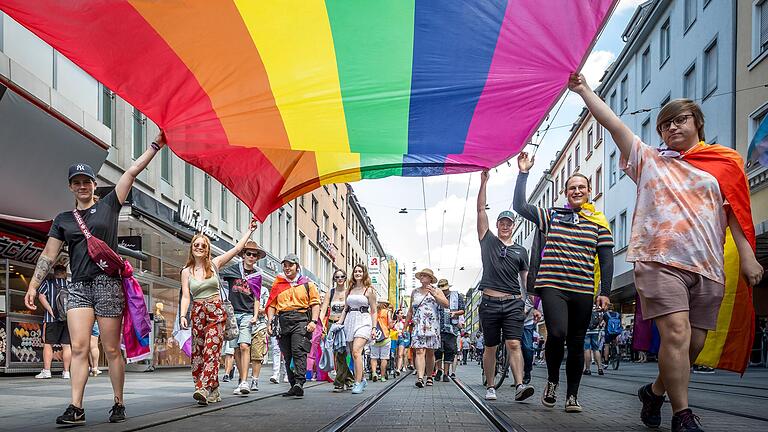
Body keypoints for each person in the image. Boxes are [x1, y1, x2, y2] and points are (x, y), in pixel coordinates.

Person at [569, 73, 763, 432]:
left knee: (693, 344)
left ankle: (655, 392)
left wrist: (748, 255)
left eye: (680, 120)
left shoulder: (724, 163)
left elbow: (735, 210)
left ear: (697, 124)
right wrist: (584, 90)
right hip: (659, 260)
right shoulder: (649, 159)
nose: (671, 127)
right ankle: (682, 415)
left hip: (708, 265)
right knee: (676, 333)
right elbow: (612, 123)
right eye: (664, 124)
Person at [24, 132, 167, 425]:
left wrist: (155, 145)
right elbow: (49, 256)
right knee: (78, 347)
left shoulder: (109, 205)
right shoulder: (63, 220)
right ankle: (76, 407)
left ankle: (118, 402)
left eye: (86, 181)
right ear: (70, 187)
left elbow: (130, 172)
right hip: (78, 287)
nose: (82, 186)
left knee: (111, 348)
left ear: (93, 184)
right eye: (76, 183)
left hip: (107, 284)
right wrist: (33, 285)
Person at [515, 150, 614, 412]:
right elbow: (520, 207)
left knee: (577, 341)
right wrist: (523, 173)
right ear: (566, 192)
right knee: (557, 333)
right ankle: (552, 381)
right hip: (552, 285)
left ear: (589, 189)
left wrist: (605, 291)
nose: (577, 190)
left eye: (582, 186)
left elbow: (606, 259)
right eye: (573, 187)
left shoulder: (598, 223)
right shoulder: (552, 216)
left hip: (582, 289)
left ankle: (572, 396)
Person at [179, 221, 257, 405]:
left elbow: (237, 249)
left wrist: (249, 230)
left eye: (203, 246)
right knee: (198, 353)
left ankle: (203, 388)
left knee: (211, 351)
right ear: (192, 248)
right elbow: (185, 297)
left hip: (215, 311)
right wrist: (183, 315)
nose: (199, 248)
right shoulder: (186, 271)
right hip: (197, 313)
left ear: (207, 249)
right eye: (196, 245)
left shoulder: (214, 264)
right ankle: (213, 390)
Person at [477, 170, 535, 402]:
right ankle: (491, 386)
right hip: (489, 303)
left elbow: (526, 280)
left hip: (513, 303)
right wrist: (484, 182)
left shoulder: (521, 251)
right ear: (497, 224)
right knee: (490, 346)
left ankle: (520, 385)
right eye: (501, 222)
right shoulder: (487, 241)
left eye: (508, 223)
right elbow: (481, 210)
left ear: (514, 225)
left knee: (514, 343)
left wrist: (530, 303)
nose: (504, 225)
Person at [265, 254, 321, 398]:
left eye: (290, 265)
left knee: (298, 350)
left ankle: (299, 383)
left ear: (297, 267)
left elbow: (315, 304)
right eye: (285, 265)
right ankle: (292, 385)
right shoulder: (278, 284)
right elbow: (271, 305)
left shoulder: (307, 284)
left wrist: (313, 321)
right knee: (287, 354)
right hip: (283, 320)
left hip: (301, 319)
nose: (287, 268)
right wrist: (270, 322)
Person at [218, 240, 266, 396]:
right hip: (232, 315)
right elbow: (216, 272)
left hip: (246, 314)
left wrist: (255, 315)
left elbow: (257, 297)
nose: (251, 257)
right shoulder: (233, 270)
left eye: (255, 255)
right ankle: (241, 378)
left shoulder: (257, 275)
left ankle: (245, 381)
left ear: (257, 258)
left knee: (245, 346)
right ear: (243, 255)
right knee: (236, 349)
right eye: (249, 254)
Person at [337, 264, 378, 394]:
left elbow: (374, 311)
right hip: (350, 321)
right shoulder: (350, 289)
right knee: (353, 354)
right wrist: (339, 323)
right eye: (355, 271)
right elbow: (345, 308)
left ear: (364, 273)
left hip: (364, 321)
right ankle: (363, 379)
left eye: (360, 271)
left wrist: (373, 327)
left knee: (356, 351)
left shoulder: (369, 290)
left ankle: (357, 382)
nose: (358, 273)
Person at [407, 269, 448, 388]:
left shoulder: (437, 290)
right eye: (421, 276)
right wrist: (405, 327)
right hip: (418, 324)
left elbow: (446, 304)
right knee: (419, 351)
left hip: (432, 324)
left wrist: (435, 295)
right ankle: (420, 377)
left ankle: (429, 376)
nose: (422, 277)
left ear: (431, 278)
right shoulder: (415, 292)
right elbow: (410, 310)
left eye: (425, 276)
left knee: (430, 352)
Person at [319, 269, 355, 392]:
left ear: (345, 278)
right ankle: (349, 379)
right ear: (334, 279)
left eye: (342, 276)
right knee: (336, 353)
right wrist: (320, 323)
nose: (340, 279)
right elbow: (323, 309)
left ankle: (339, 383)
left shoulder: (349, 293)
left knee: (342, 353)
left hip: (345, 325)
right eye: (337, 277)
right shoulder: (331, 292)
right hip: (332, 325)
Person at [36, 263, 71, 380]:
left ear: (54, 273)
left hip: (51, 319)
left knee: (48, 344)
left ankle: (47, 371)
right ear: (65, 273)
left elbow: (41, 296)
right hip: (67, 319)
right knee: (66, 345)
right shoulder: (70, 285)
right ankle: (66, 372)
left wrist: (51, 311)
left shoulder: (48, 283)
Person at [434, 278, 465, 382]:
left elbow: (463, 310)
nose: (444, 291)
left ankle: (446, 373)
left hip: (451, 329)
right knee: (437, 350)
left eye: (445, 289)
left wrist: (455, 313)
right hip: (437, 328)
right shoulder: (435, 296)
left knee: (449, 351)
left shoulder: (456, 296)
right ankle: (439, 370)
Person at [521, 296, 543, 384]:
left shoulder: (537, 293)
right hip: (512, 320)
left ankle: (527, 371)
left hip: (527, 322)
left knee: (528, 348)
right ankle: (504, 366)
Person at [370, 302, 393, 382]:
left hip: (374, 336)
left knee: (373, 357)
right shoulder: (387, 312)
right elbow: (390, 325)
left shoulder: (372, 311)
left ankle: (374, 373)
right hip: (385, 337)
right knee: (384, 358)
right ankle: (382, 377)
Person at [583, 306, 605, 376]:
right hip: (595, 331)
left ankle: (588, 369)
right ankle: (600, 368)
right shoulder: (598, 307)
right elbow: (601, 319)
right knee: (596, 349)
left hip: (586, 331)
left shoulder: (585, 304)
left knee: (587, 349)